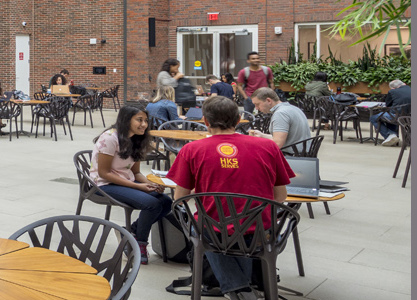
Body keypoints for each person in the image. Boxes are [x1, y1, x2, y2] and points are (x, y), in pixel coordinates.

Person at [168, 96, 295, 300]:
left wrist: (204, 192)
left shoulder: (191, 150)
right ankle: (245, 286)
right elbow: (280, 196)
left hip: (215, 233)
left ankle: (238, 289)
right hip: (261, 233)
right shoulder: (268, 147)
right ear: (238, 120)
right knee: (227, 227)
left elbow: (179, 199)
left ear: (206, 121)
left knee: (200, 225)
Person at [89, 105, 174, 264]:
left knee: (166, 201)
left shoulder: (136, 138)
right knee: (151, 204)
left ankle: (131, 232)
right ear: (126, 120)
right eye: (139, 120)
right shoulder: (109, 138)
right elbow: (104, 173)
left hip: (124, 181)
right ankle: (139, 243)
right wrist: (138, 187)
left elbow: (135, 173)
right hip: (103, 184)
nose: (144, 124)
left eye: (146, 120)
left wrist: (150, 184)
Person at [371, 79, 411, 146]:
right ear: (403, 83)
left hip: (397, 117)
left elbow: (388, 104)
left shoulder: (392, 91)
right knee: (390, 116)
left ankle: (390, 136)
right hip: (409, 117)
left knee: (373, 118)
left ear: (393, 88)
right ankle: (392, 134)